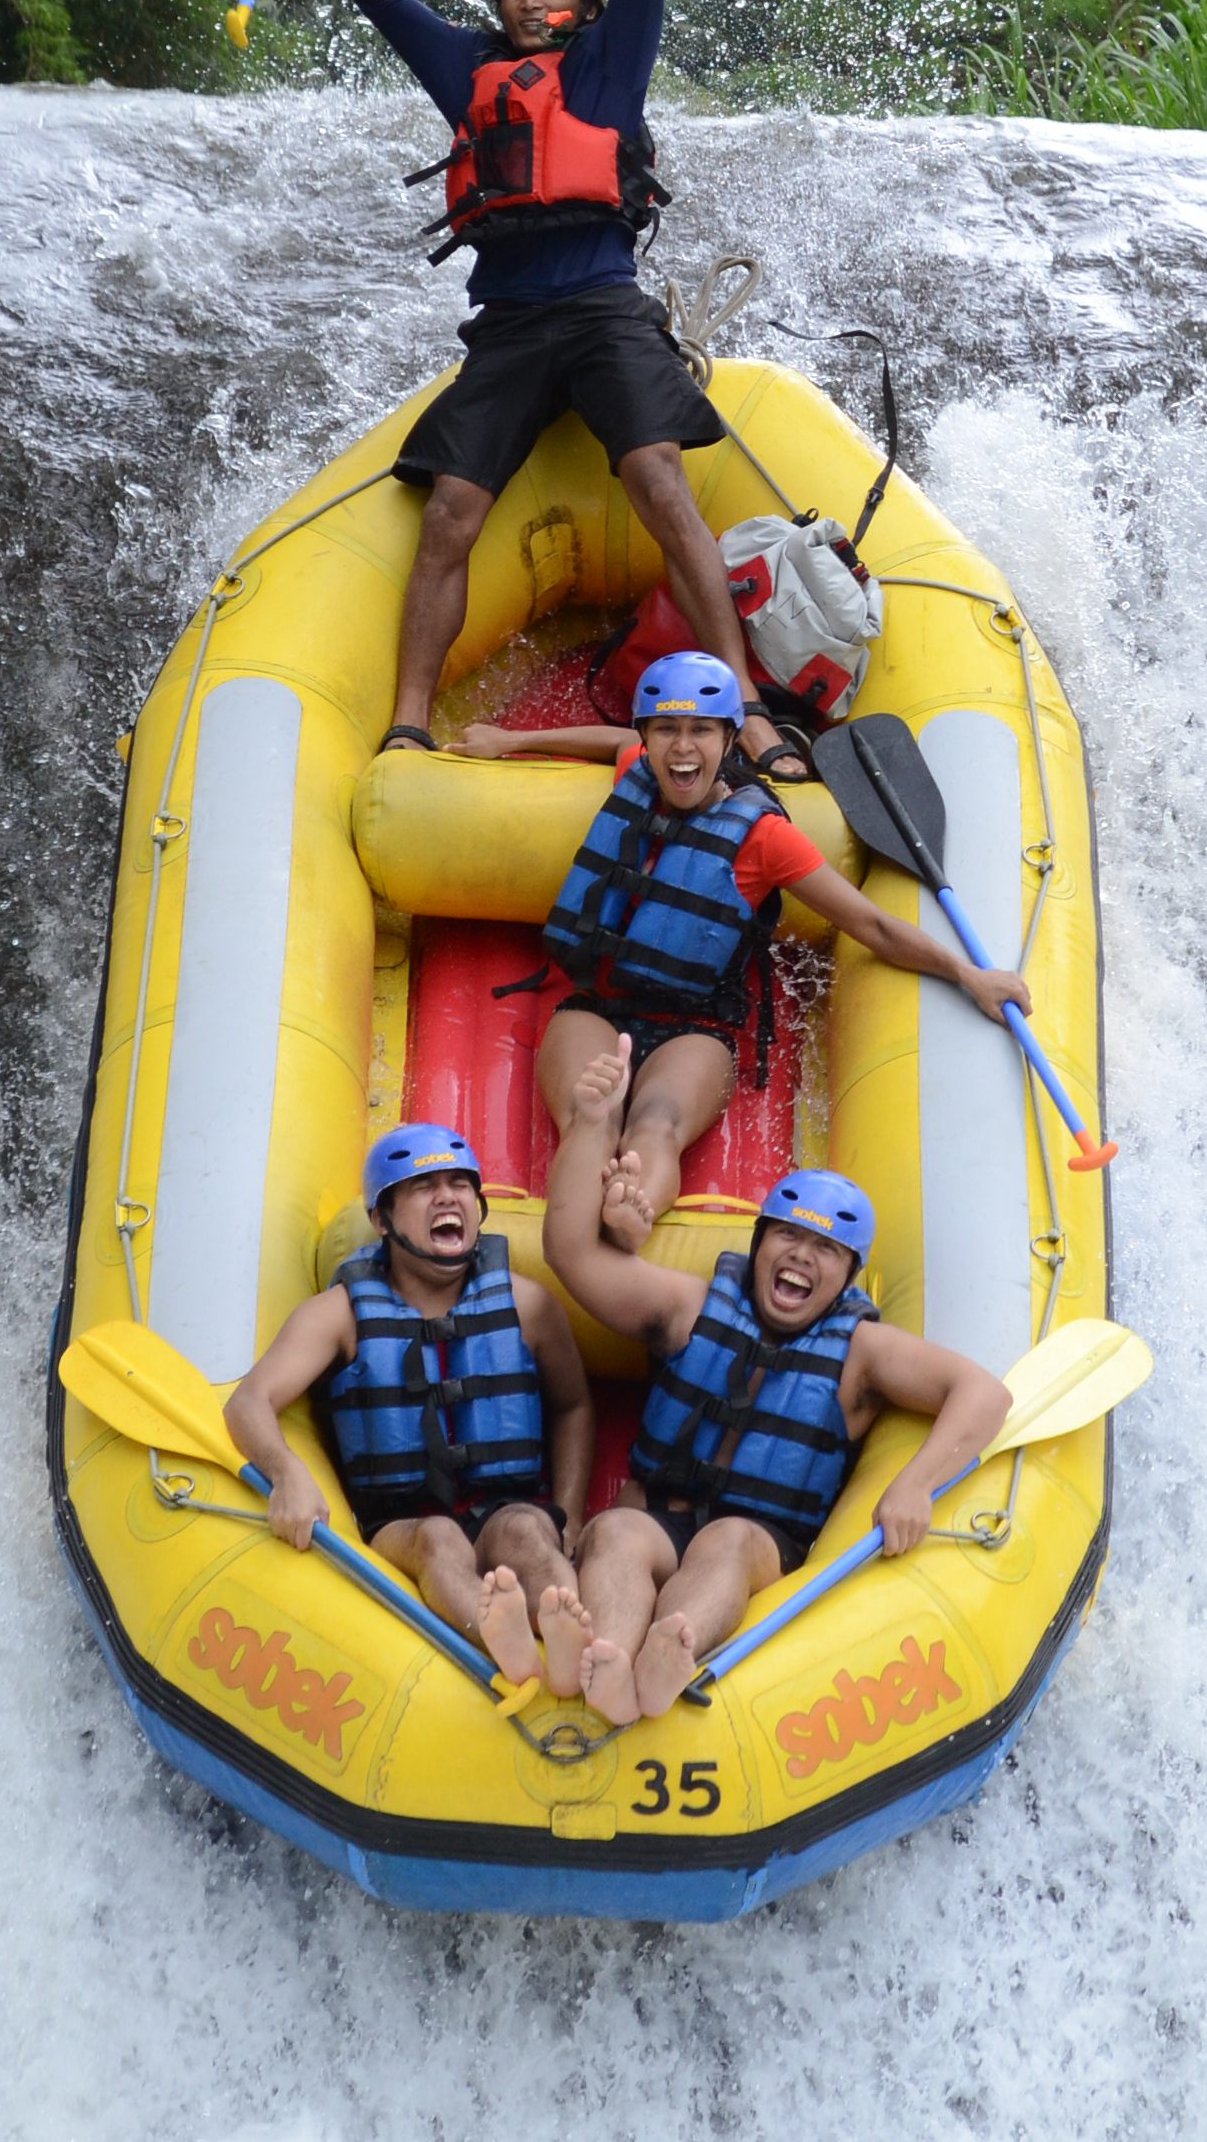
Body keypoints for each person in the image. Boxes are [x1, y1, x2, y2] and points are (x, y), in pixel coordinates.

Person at [261, 0, 802, 781]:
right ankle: (409, 718)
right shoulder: (467, 72)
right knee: (452, 510)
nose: (529, 0)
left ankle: (741, 702)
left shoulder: (612, 58)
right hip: (510, 322)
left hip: (602, 309)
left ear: (584, 0)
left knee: (656, 475)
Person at [457, 651, 1033, 1247]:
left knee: (657, 1124)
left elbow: (872, 925)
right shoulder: (638, 771)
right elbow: (609, 742)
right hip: (595, 1008)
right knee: (589, 1112)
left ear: (730, 738)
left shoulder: (763, 836)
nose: (683, 748)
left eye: (702, 730)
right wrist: (511, 740)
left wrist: (968, 974)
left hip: (694, 1028)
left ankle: (632, 1207)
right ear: (647, 737)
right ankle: (590, 1201)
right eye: (666, 730)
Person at [542, 1063, 1013, 1722]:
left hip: (759, 1542)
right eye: (789, 1235)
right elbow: (572, 1255)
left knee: (727, 1541)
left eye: (825, 1248)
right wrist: (592, 1123)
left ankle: (670, 1648)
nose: (802, 1256)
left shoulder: (861, 1353)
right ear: (759, 1244)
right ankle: (612, 1660)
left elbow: (983, 1394)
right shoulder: (689, 1307)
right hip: (653, 1518)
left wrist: (915, 1484)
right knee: (616, 1529)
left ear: (848, 1275)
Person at [223, 1123, 595, 1694]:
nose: (447, 1197)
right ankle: (507, 1647)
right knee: (439, 1541)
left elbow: (572, 1405)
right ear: (381, 1219)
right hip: (400, 1522)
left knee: (526, 1531)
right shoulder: (340, 1314)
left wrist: (565, 1514)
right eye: (423, 1186)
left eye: (460, 1184)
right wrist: (287, 1472)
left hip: (508, 1504)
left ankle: (572, 1651)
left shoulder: (528, 1304)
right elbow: (249, 1402)